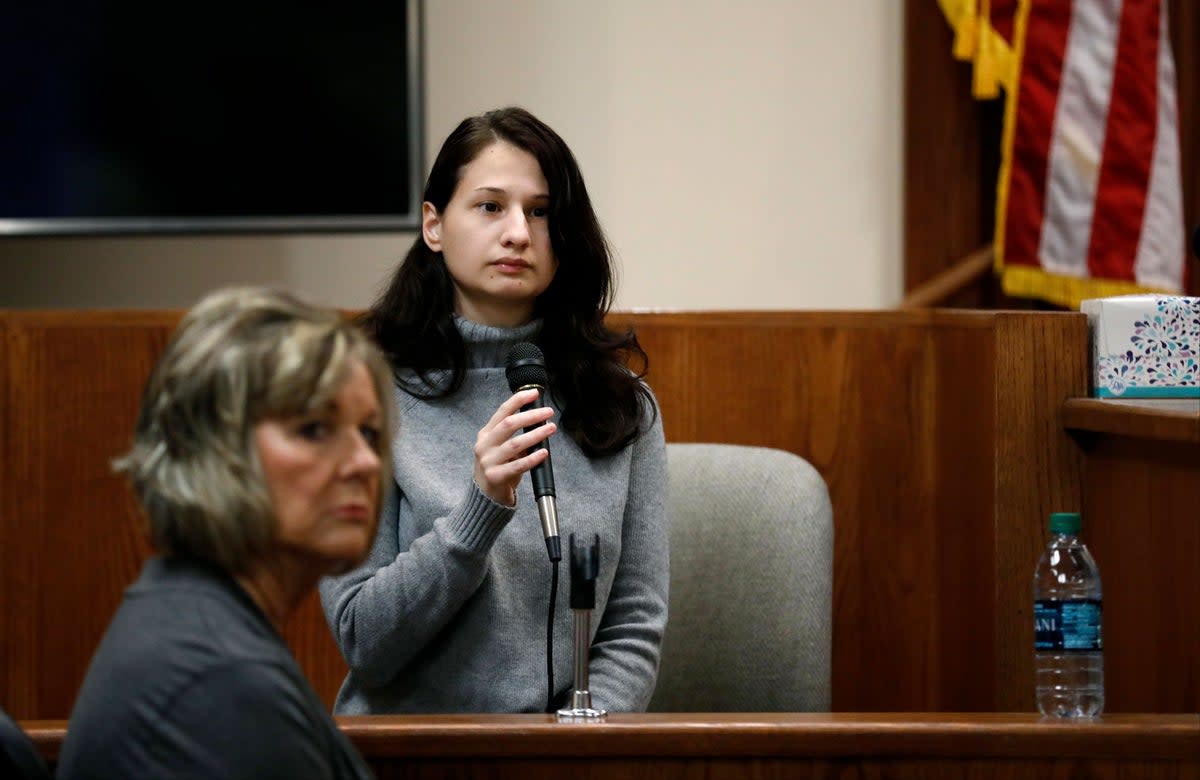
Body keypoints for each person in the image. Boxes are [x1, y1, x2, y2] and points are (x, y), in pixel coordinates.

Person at [319, 106, 669, 714]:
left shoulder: (621, 408)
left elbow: (633, 629)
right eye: (490, 206)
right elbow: (362, 639)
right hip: (408, 754)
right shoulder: (362, 398)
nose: (517, 233)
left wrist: (570, 751)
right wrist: (478, 510)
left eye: (539, 212)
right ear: (434, 225)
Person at [57, 287, 393, 780]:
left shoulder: (192, 621)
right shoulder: (216, 681)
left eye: (369, 432)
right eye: (315, 428)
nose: (366, 462)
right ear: (211, 447)